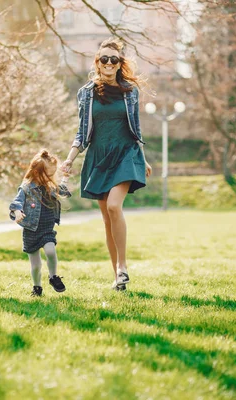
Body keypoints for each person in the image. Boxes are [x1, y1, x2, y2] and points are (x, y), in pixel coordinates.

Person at [60, 37, 152, 292]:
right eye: (104, 59)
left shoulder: (129, 92)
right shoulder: (86, 93)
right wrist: (69, 159)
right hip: (99, 157)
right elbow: (82, 132)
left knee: (114, 207)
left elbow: (136, 128)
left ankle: (123, 266)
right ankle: (117, 278)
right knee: (107, 220)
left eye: (114, 59)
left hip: (125, 153)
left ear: (119, 63)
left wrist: (143, 159)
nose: (109, 63)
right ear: (97, 63)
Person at [9, 149, 71, 297]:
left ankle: (53, 277)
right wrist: (18, 212)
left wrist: (66, 177)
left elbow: (62, 191)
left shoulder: (49, 186)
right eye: (49, 174)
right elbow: (16, 203)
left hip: (47, 230)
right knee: (36, 266)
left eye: (53, 174)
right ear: (37, 173)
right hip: (31, 231)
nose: (51, 177)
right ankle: (37, 288)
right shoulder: (26, 188)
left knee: (50, 251)